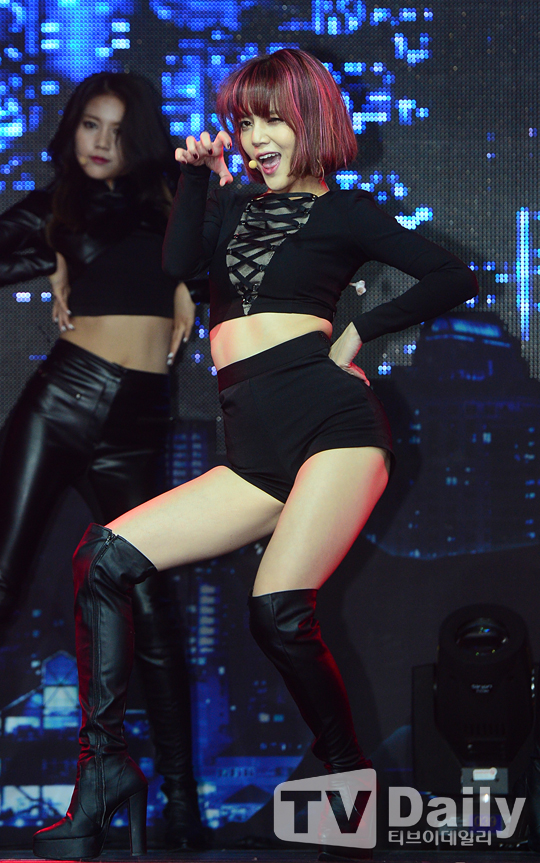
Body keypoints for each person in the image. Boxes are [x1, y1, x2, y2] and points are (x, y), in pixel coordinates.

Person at [32, 49, 478, 860]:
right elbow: (178, 266)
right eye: (244, 123)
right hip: (254, 450)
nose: (256, 138)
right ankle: (104, 772)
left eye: (273, 120)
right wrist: (196, 180)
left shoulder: (346, 212)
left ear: (312, 120)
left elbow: (453, 276)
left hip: (335, 429)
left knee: (276, 610)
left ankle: (346, 777)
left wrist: (360, 330)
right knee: (103, 556)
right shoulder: (233, 203)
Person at [0, 71, 209, 850]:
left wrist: (188, 281)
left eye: (118, 131)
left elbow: (211, 261)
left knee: (150, 604)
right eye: (91, 124)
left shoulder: (174, 199)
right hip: (62, 399)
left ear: (141, 139)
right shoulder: (56, 205)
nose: (101, 143)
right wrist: (52, 257)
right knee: (2, 575)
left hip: (137, 420)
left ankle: (182, 805)